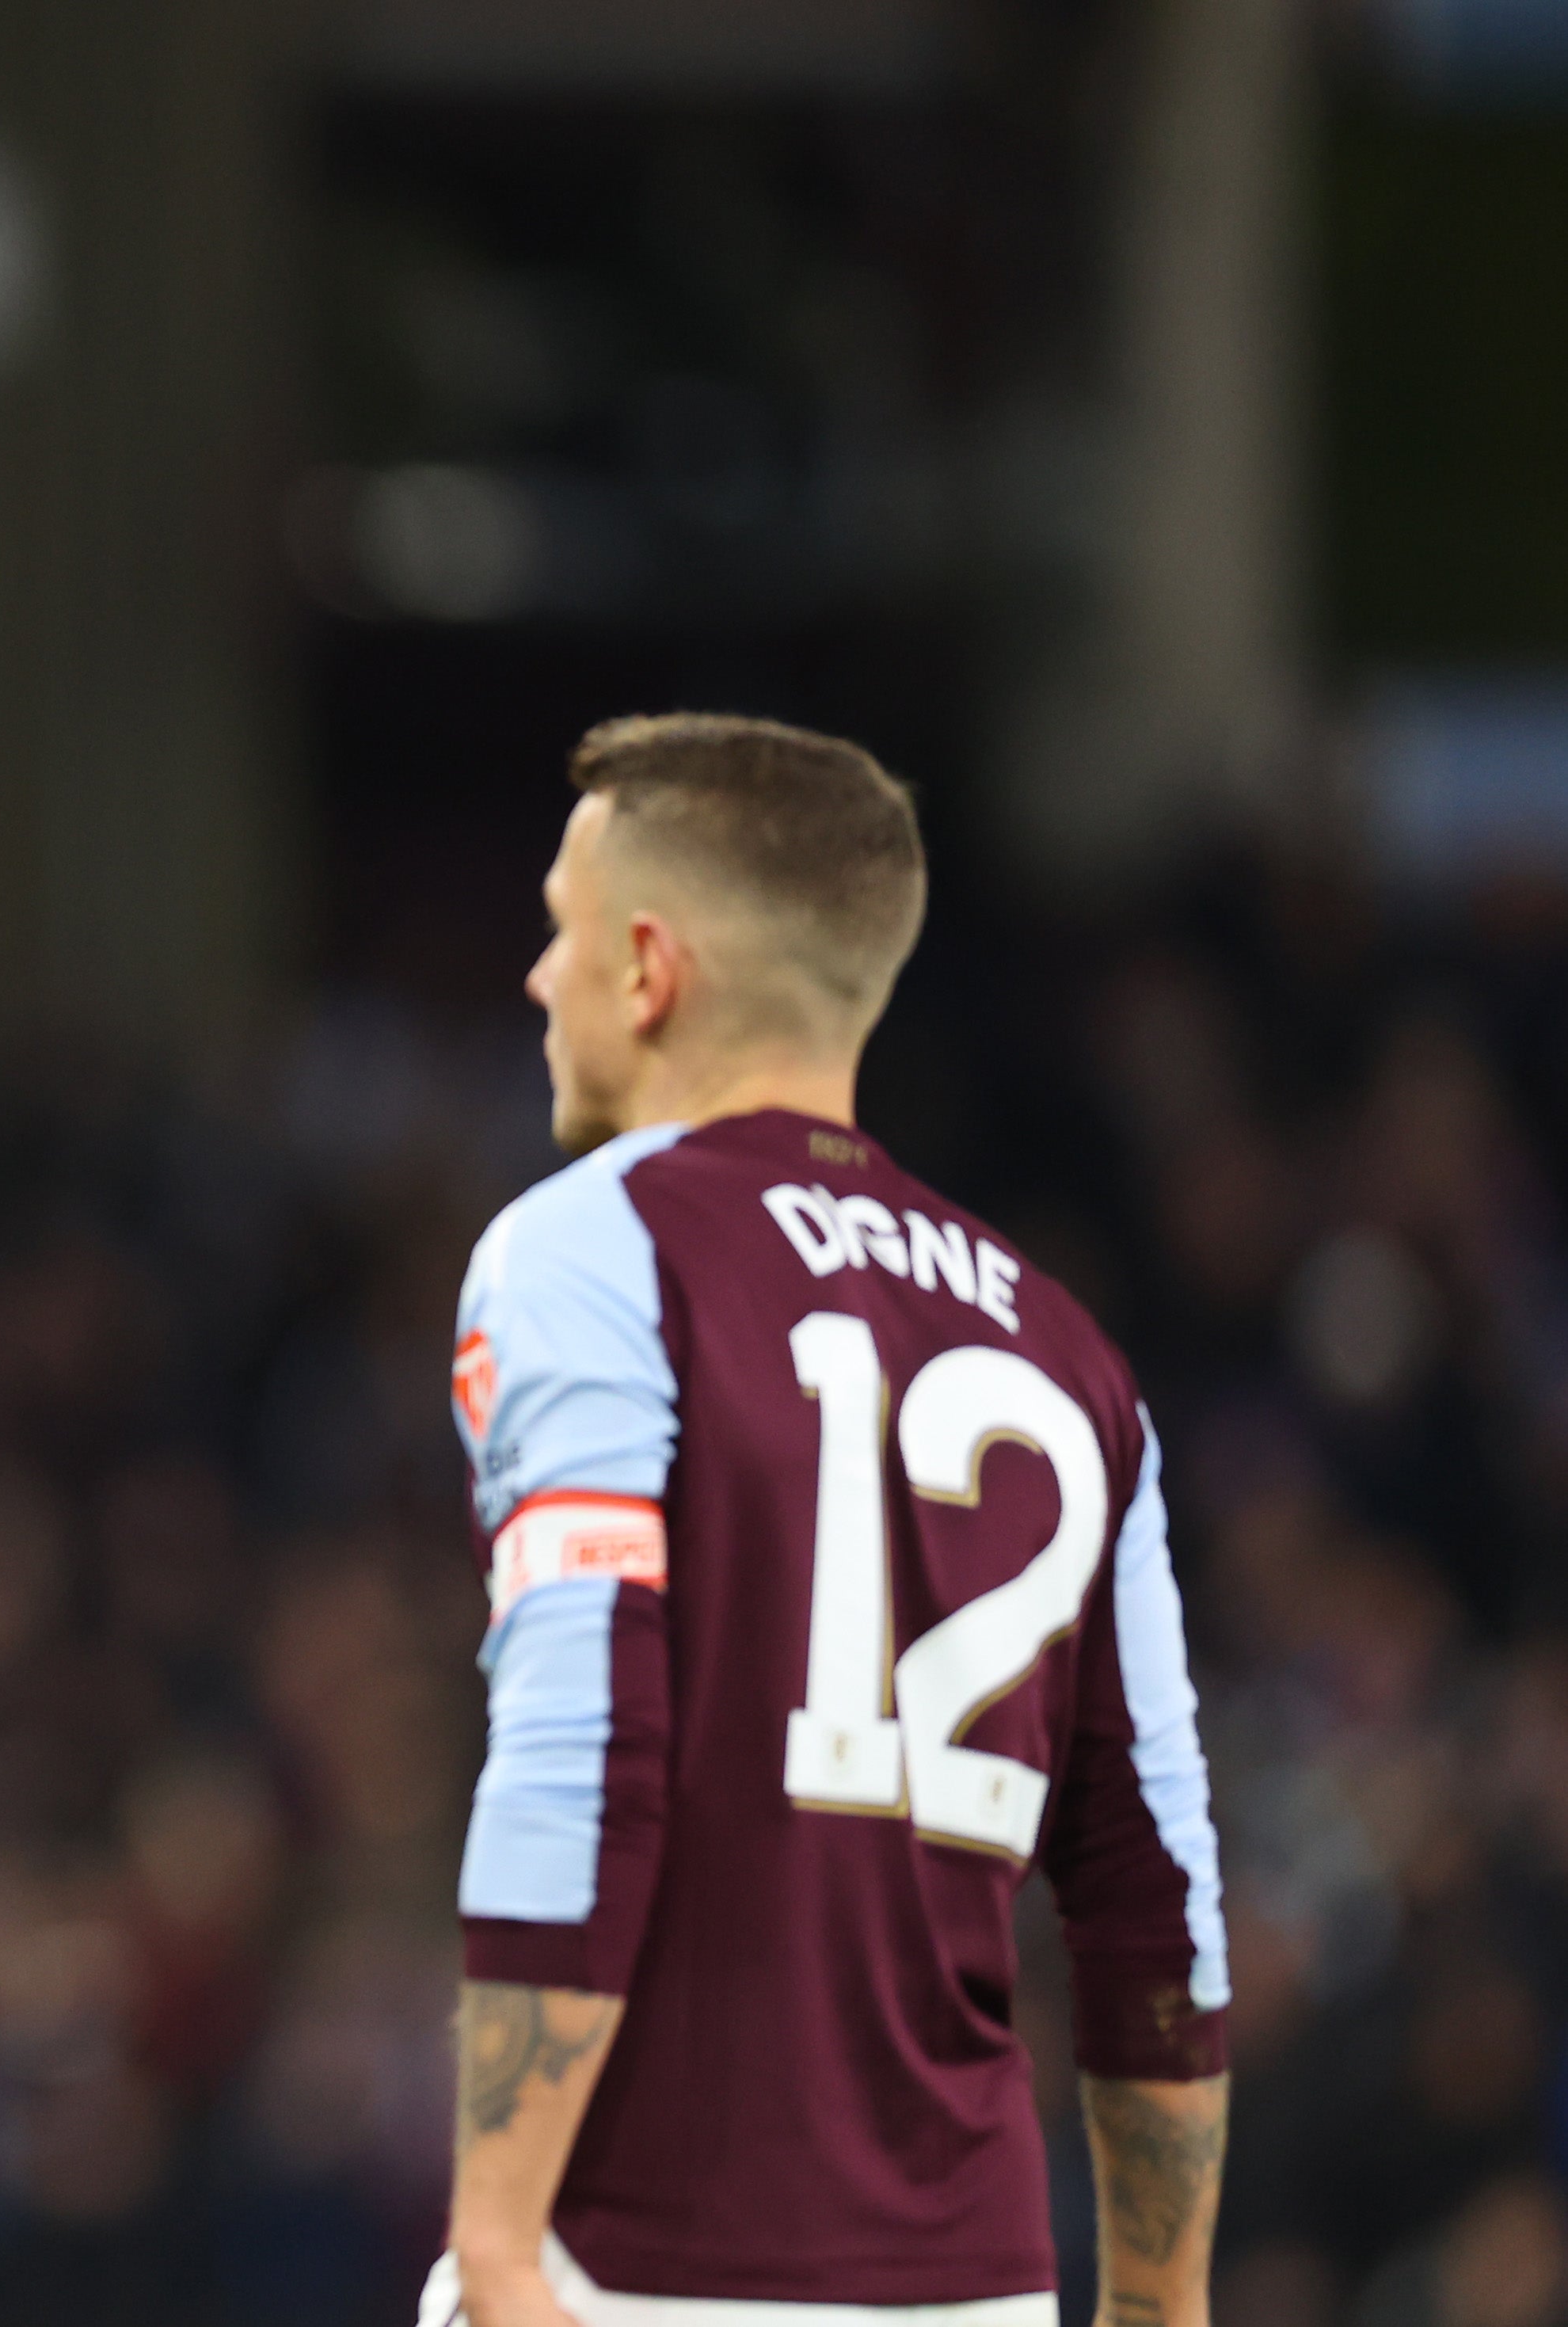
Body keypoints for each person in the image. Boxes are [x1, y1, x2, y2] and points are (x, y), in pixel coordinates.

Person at [421, 716, 1228, 2327]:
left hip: (642, 2256)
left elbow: (588, 1729)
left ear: (648, 967)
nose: (535, 979)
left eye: (559, 931)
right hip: (973, 2279)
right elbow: (1156, 1874)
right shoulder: (1067, 1349)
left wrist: (505, 2236)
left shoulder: (590, 1246)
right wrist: (1158, 2303)